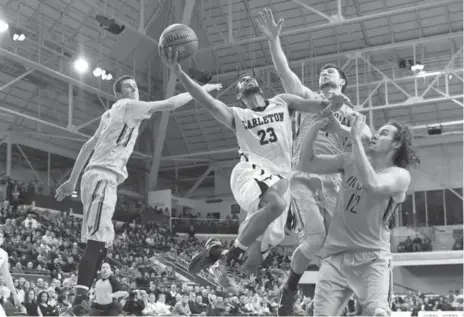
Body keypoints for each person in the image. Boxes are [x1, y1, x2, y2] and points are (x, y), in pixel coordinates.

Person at [159, 46, 350, 292]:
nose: (246, 80)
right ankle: (226, 260)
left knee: (254, 261)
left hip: (282, 178)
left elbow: (316, 106)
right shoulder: (236, 114)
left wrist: (334, 101)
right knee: (277, 205)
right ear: (239, 96)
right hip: (251, 171)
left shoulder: (282, 102)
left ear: (260, 87)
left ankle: (218, 252)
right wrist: (179, 73)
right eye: (241, 82)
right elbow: (203, 99)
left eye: (249, 78)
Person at [54, 75, 221, 314]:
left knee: (101, 247)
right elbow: (171, 104)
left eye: (135, 86)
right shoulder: (129, 107)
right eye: (128, 87)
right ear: (120, 94)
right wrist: (202, 89)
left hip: (97, 178)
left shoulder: (108, 114)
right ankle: (78, 305)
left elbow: (86, 146)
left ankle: (81, 300)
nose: (134, 90)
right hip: (102, 177)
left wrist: (72, 181)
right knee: (96, 243)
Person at [256, 8, 373, 314]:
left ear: (343, 82)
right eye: (322, 72)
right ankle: (289, 289)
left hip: (335, 180)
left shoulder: (349, 111)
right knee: (315, 240)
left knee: (346, 247)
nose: (325, 74)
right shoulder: (309, 97)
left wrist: (345, 124)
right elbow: (284, 72)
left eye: (331, 72)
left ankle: (347, 301)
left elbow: (369, 136)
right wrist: (274, 40)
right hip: (304, 175)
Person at [297, 111, 419, 316]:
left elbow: (372, 184)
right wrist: (315, 127)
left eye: (384, 133)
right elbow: (305, 163)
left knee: (379, 313)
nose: (375, 136)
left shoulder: (399, 175)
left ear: (397, 144)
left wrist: (354, 137)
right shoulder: (351, 160)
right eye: (376, 132)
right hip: (335, 257)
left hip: (371, 259)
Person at [0, 230, 21, 317]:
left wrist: (14, 293)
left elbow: (7, 276)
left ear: (2, 239)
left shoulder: (4, 254)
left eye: (0, 236)